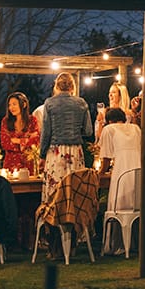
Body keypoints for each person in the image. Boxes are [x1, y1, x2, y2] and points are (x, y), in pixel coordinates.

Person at [39, 72, 93, 203]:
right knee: (75, 192)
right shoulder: (81, 103)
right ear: (72, 87)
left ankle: (54, 220)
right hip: (75, 153)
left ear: (56, 86)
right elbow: (88, 131)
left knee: (56, 193)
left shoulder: (49, 103)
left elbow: (46, 133)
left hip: (55, 153)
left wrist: (42, 155)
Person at [96, 107, 141, 255]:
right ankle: (136, 242)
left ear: (109, 120)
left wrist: (100, 173)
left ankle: (117, 244)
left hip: (121, 170)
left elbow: (106, 157)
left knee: (118, 207)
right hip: (137, 170)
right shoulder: (136, 128)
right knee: (136, 207)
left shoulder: (109, 129)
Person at [0, 92, 40, 174]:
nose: (11, 107)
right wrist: (27, 139)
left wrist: (17, 141)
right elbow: (5, 143)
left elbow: (36, 141)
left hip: (28, 163)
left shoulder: (32, 120)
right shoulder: (6, 121)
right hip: (11, 163)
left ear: (24, 104)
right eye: (9, 105)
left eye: (14, 104)